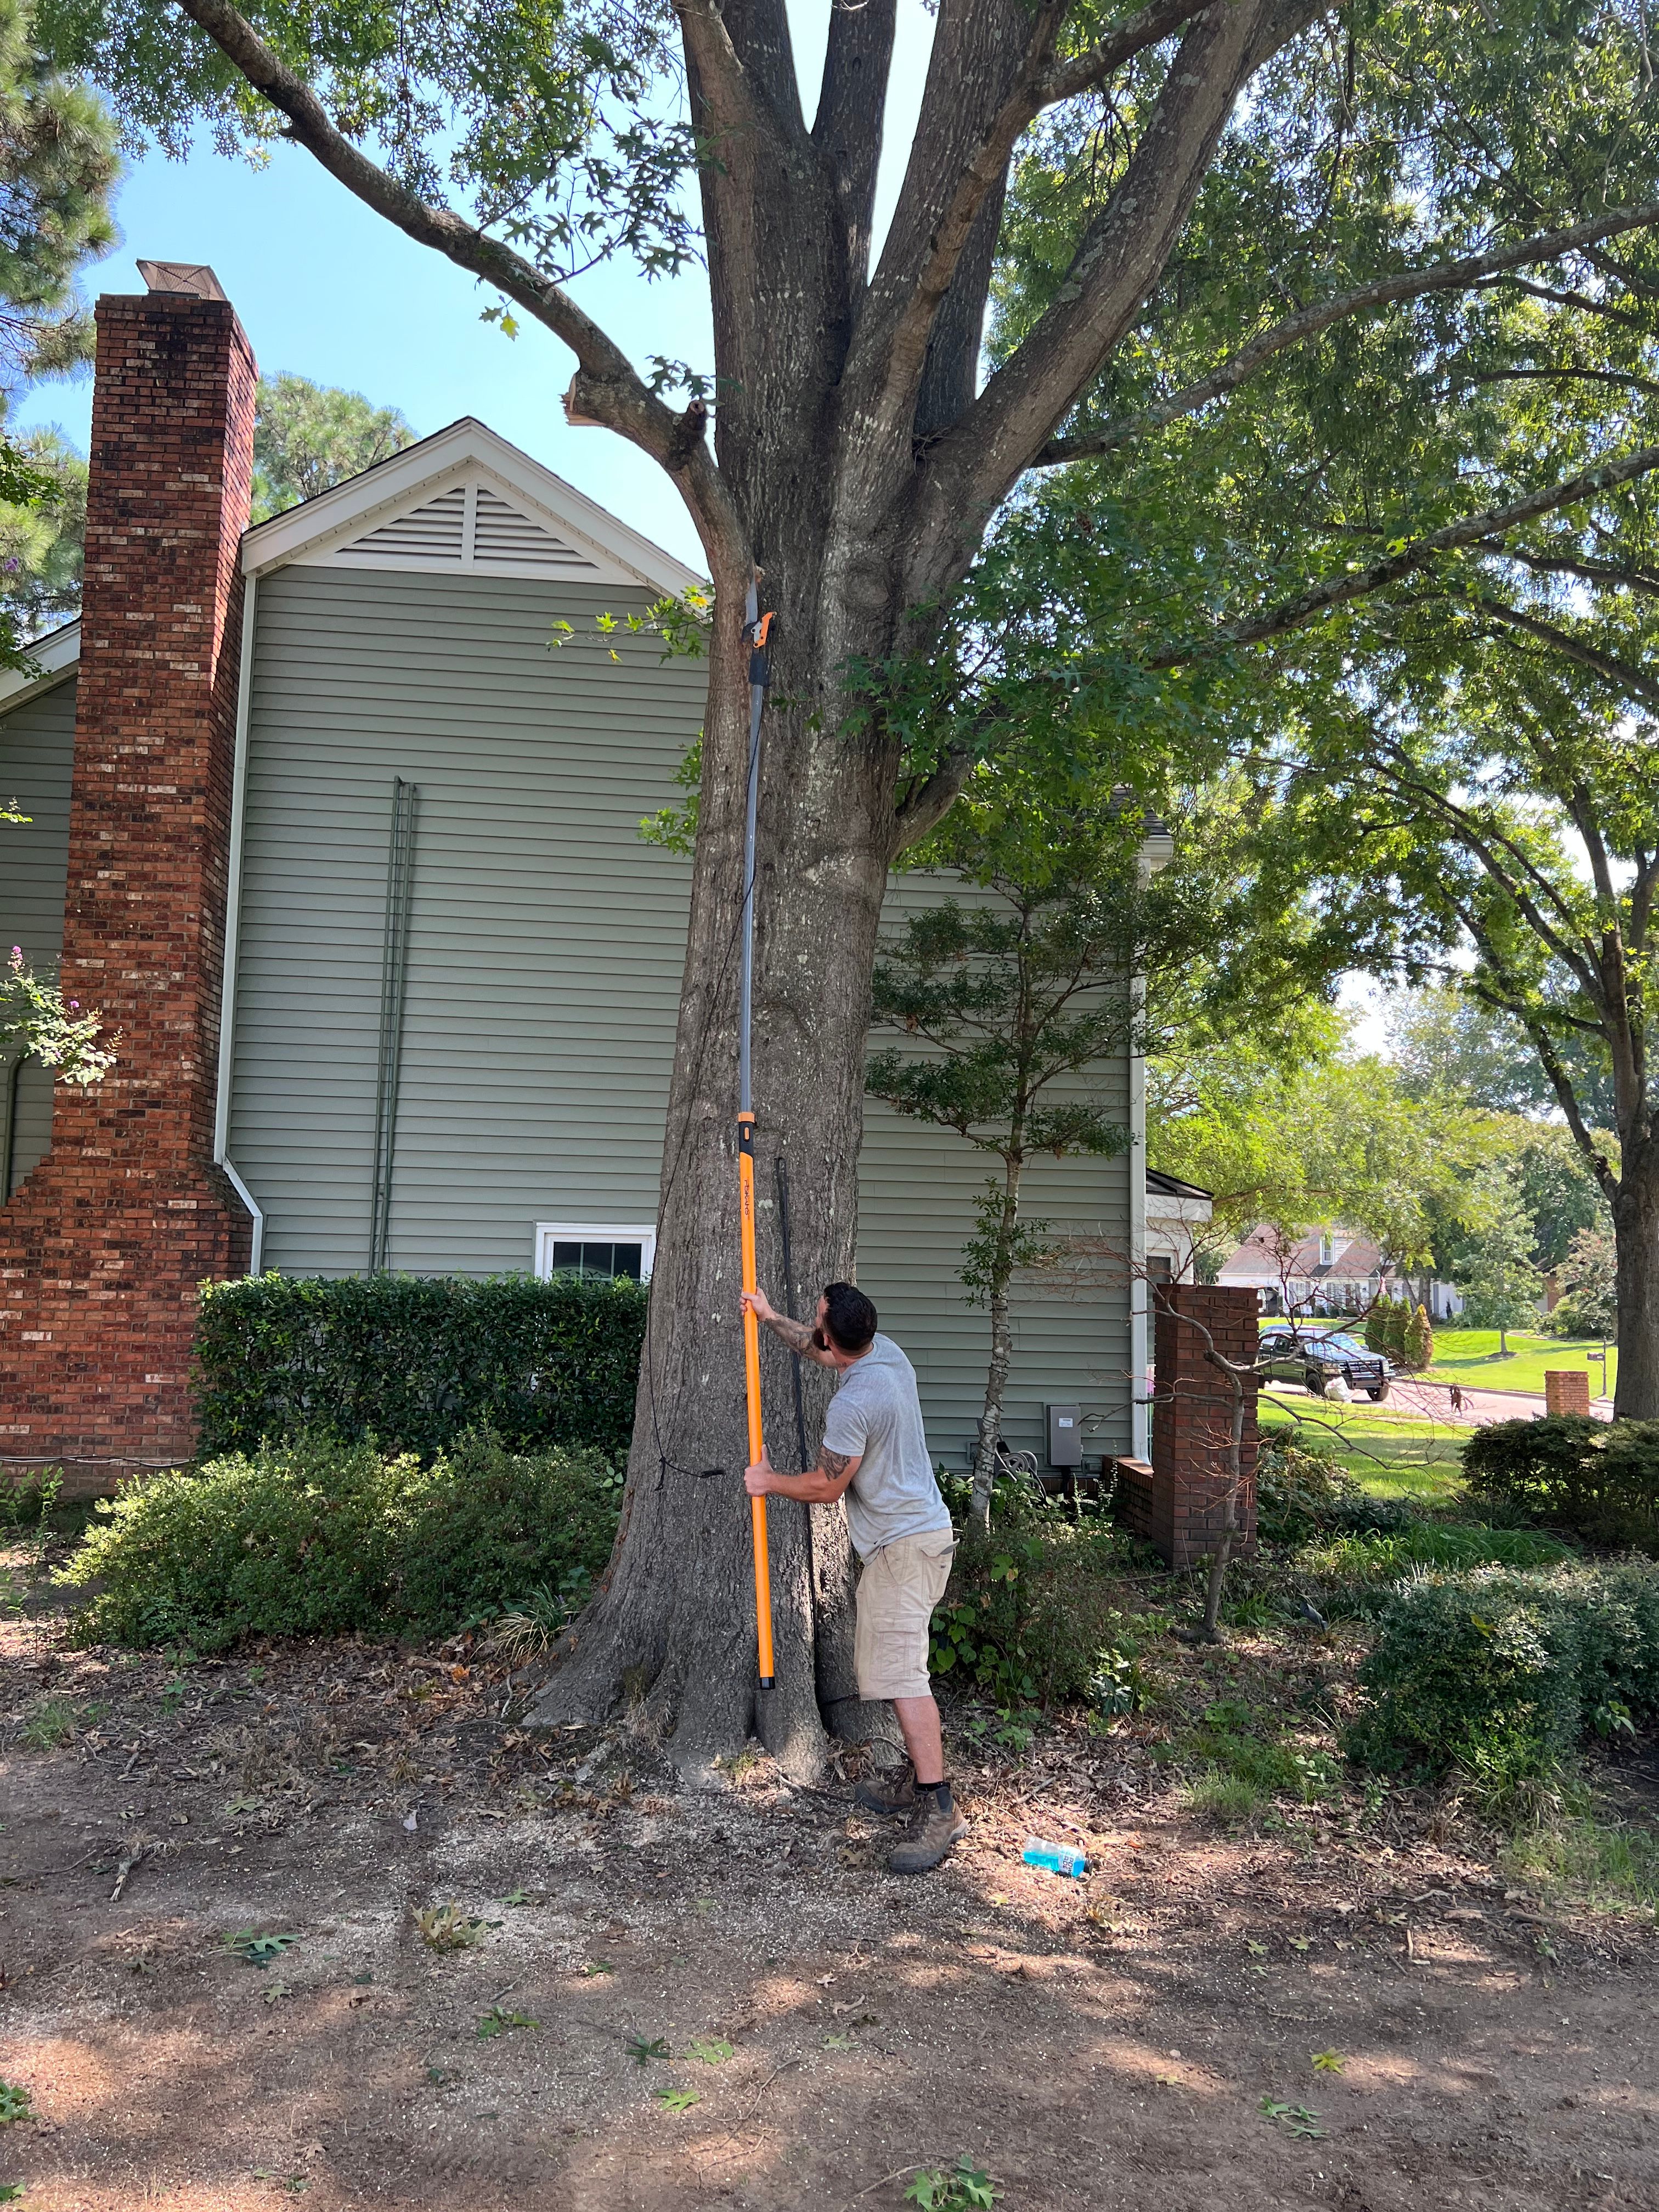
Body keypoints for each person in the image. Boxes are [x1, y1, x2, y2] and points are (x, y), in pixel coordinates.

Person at [741, 1279, 966, 1875]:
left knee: (901, 1676)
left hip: (904, 1551)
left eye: (818, 1322)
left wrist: (768, 1481)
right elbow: (817, 1349)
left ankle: (938, 1804)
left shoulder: (853, 1404)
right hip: (922, 1537)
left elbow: (826, 1486)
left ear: (836, 1338)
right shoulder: (884, 1352)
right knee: (893, 1671)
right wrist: (768, 1318)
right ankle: (917, 1780)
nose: (816, 1331)